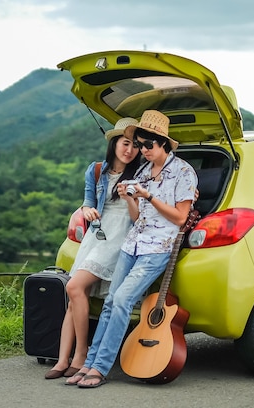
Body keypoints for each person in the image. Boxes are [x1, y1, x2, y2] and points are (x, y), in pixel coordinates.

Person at [70, 109, 198, 388]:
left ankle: (100, 368)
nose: (143, 150)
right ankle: (89, 363)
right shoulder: (141, 170)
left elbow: (178, 218)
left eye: (147, 145)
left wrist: (148, 195)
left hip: (157, 248)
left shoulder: (183, 172)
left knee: (123, 301)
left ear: (163, 142)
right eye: (140, 145)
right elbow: (137, 217)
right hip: (132, 244)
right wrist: (130, 197)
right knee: (109, 303)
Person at [44, 117, 142, 379]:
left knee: (74, 287)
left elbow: (137, 218)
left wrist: (129, 197)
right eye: (125, 143)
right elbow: (88, 202)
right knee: (74, 300)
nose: (129, 150)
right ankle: (62, 359)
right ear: (114, 143)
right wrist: (87, 210)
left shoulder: (140, 175)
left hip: (119, 237)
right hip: (96, 237)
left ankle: (82, 353)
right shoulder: (96, 170)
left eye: (134, 145)